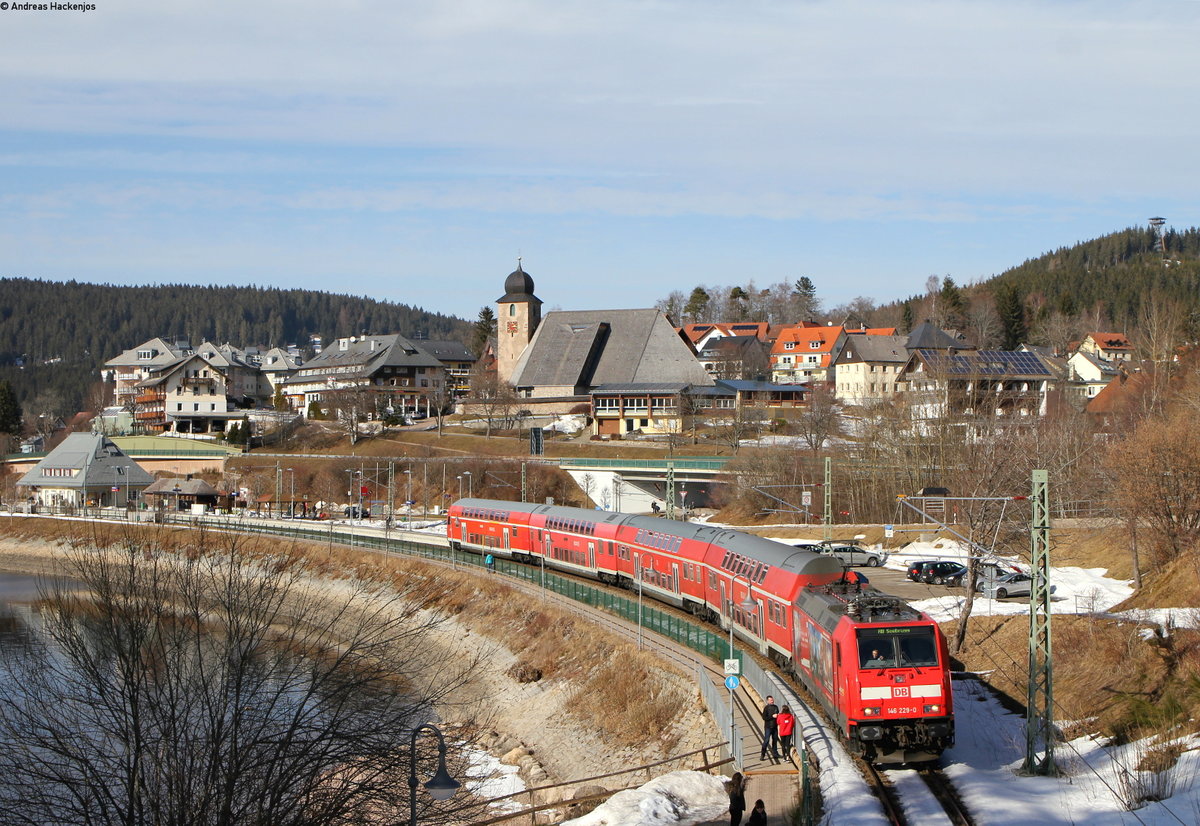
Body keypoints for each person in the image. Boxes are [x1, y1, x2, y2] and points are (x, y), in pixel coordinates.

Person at [759, 695, 780, 761]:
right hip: (768, 727)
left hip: (774, 726)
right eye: (771, 700)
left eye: (772, 700)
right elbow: (764, 718)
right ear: (767, 701)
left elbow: (777, 714)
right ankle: (763, 754)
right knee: (766, 740)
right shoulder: (766, 708)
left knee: (775, 740)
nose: (772, 701)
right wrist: (772, 716)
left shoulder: (776, 707)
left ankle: (775, 753)